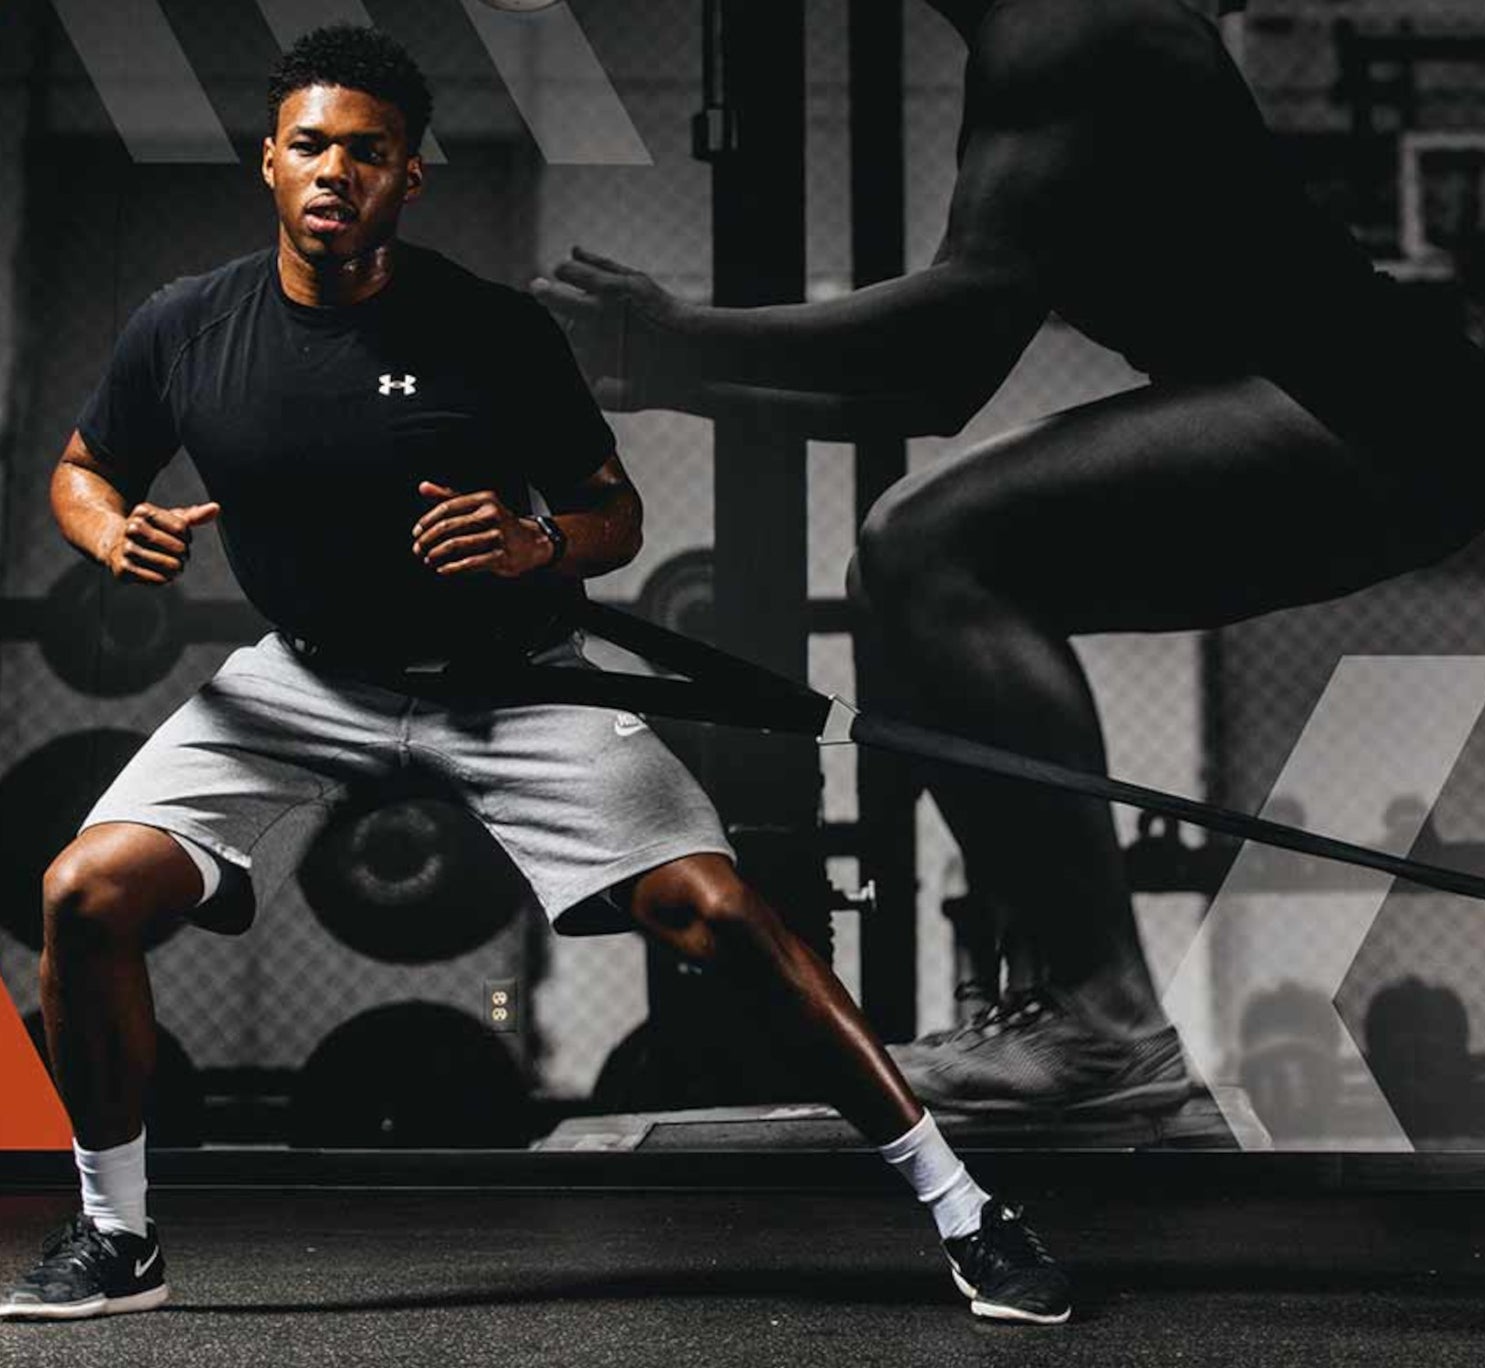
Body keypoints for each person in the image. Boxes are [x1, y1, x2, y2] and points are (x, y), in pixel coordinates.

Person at [0, 24, 1067, 1327]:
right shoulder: (183, 330)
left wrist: (538, 541)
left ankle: (967, 1210)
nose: (336, 173)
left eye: (369, 153)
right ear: (268, 163)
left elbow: (609, 512)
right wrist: (110, 528)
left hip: (512, 682)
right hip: (302, 682)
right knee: (86, 892)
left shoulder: (488, 332)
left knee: (721, 917)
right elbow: (80, 466)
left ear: (409, 179)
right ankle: (118, 1240)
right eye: (311, 146)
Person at [533, 0, 1485, 1115]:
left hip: (1383, 408)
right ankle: (1060, 1007)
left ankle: (1102, 1018)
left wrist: (679, 331)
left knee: (928, 543)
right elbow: (932, 391)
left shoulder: (1071, 28)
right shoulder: (1034, 48)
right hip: (1372, 416)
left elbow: (954, 319)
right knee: (912, 573)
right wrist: (668, 381)